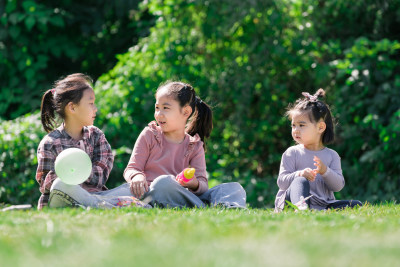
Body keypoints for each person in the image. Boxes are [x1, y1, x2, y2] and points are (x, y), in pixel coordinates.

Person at [124, 81, 246, 208]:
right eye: (157, 108)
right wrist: (137, 177)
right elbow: (131, 169)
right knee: (161, 184)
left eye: (165, 108)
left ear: (186, 112)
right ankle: (204, 207)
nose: (159, 114)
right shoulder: (150, 134)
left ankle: (222, 206)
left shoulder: (194, 145)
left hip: (178, 195)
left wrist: (194, 183)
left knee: (233, 188)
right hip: (148, 193)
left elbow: (203, 185)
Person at [36, 73, 149, 209]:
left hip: (98, 195)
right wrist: (66, 170)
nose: (95, 108)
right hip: (65, 199)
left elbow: (100, 176)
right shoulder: (50, 142)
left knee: (130, 189)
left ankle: (93, 204)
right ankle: (108, 206)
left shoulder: (96, 135)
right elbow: (46, 185)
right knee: (60, 184)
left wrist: (80, 172)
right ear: (72, 107)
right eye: (90, 103)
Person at [274, 89, 362, 212]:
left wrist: (325, 171)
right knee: (300, 180)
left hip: (323, 204)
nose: (296, 130)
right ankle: (301, 207)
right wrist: (299, 174)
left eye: (302, 125)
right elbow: (282, 183)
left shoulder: (332, 155)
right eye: (293, 125)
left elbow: (338, 186)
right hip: (290, 203)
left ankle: (315, 210)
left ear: (320, 127)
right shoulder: (292, 153)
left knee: (356, 204)